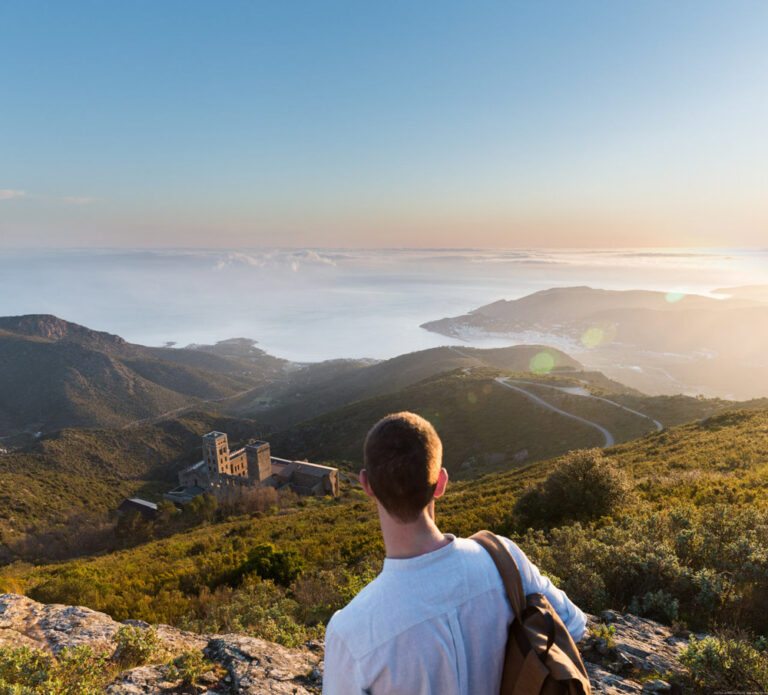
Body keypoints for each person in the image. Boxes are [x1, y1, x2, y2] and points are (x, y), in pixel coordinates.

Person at [322, 411, 587, 695]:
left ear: (366, 485)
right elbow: (574, 625)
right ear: (441, 483)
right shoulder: (504, 558)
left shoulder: (351, 632)